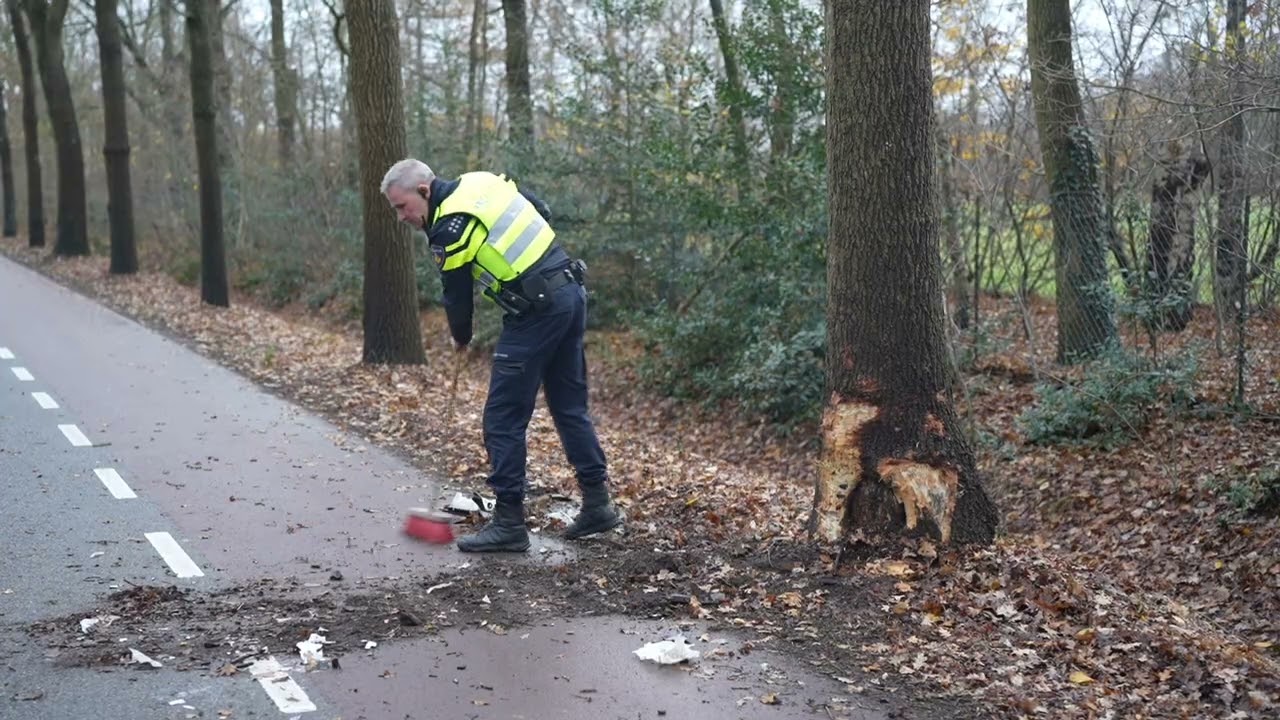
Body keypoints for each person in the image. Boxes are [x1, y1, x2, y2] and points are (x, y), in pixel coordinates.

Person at [380, 159, 622, 552]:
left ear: (424, 191)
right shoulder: (481, 182)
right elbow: (539, 208)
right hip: (569, 290)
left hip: (536, 311)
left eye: (402, 206)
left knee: (502, 418)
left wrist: (461, 336)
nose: (401, 217)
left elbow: (456, 293)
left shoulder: (448, 226)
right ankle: (598, 504)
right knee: (569, 406)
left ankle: (509, 523)